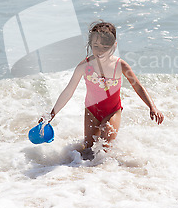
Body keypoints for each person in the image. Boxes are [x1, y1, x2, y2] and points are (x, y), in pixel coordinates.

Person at [40, 21, 164, 159]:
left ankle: (111, 174)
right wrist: (51, 115)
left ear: (114, 45)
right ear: (90, 45)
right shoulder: (84, 66)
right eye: (96, 46)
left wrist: (152, 107)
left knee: (104, 152)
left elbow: (138, 87)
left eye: (106, 47)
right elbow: (69, 91)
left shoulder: (120, 65)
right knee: (88, 152)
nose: (100, 51)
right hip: (91, 112)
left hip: (112, 112)